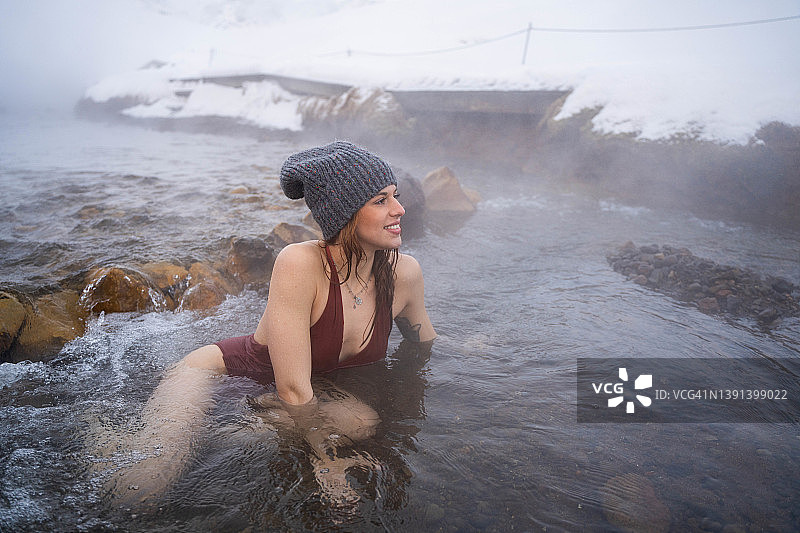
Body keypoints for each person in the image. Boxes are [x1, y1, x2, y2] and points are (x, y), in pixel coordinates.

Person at [99, 141, 436, 508]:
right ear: (345, 213)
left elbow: (423, 342)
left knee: (361, 419)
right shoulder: (301, 264)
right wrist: (326, 459)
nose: (400, 209)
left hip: (295, 393)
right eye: (381, 200)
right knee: (138, 492)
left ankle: (211, 433)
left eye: (396, 196)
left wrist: (482, 349)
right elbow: (293, 388)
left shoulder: (404, 274)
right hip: (225, 374)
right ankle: (97, 432)